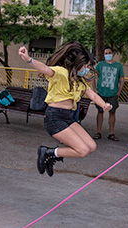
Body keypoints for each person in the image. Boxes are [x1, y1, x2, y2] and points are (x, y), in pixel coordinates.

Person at [18, 41, 112, 177]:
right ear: (77, 64)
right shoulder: (61, 73)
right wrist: (29, 59)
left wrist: (104, 105)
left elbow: (92, 94)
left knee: (92, 146)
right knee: (82, 150)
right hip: (54, 118)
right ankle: (48, 152)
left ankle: (52, 156)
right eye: (85, 66)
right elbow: (45, 69)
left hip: (69, 117)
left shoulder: (80, 81)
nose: (87, 69)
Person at [92, 47, 125, 141]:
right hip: (101, 92)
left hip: (113, 93)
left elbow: (122, 79)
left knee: (112, 112)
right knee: (100, 112)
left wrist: (119, 91)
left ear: (113, 54)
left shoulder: (118, 66)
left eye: (109, 53)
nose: (108, 55)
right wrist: (95, 90)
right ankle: (98, 132)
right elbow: (94, 77)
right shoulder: (100, 65)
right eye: (106, 53)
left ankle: (111, 133)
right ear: (104, 55)